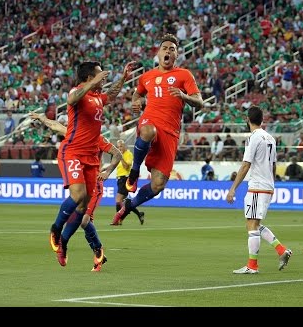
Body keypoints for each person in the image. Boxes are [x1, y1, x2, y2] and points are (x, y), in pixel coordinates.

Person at [47, 60, 135, 269]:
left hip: (90, 159)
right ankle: (56, 229)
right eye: (99, 75)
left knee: (82, 207)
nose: (103, 79)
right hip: (73, 152)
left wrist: (123, 78)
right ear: (89, 77)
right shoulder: (79, 92)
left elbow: (111, 96)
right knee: (77, 196)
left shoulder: (97, 97)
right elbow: (71, 99)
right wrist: (94, 80)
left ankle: (64, 245)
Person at [111, 33, 203, 225]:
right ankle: (134, 172)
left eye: (172, 49)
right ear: (158, 53)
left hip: (170, 132)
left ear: (176, 55)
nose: (168, 51)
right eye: (165, 48)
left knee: (158, 184)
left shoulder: (184, 75)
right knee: (147, 131)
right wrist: (135, 103)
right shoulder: (147, 76)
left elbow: (199, 102)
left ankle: (128, 207)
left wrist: (184, 96)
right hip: (150, 121)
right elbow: (136, 96)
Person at [29, 111, 122, 272]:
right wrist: (42, 118)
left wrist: (107, 171)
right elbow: (56, 126)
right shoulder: (78, 134)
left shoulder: (98, 139)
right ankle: (96, 252)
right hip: (80, 183)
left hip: (94, 184)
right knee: (82, 220)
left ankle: (97, 250)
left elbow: (117, 153)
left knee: (84, 221)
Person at [226, 106, 292, 274]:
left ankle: (252, 266)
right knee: (256, 223)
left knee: (251, 225)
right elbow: (274, 164)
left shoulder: (254, 137)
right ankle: (281, 250)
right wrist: (272, 183)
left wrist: (233, 188)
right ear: (262, 120)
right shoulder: (270, 138)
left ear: (247, 120)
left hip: (257, 186)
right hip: (268, 185)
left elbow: (246, 164)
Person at [110, 139, 145, 226]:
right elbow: (115, 166)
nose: (119, 148)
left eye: (121, 146)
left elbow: (126, 167)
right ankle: (139, 213)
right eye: (118, 147)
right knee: (126, 202)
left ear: (125, 146)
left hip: (125, 179)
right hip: (119, 179)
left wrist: (121, 157)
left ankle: (118, 220)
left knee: (119, 199)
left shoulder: (128, 154)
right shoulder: (118, 155)